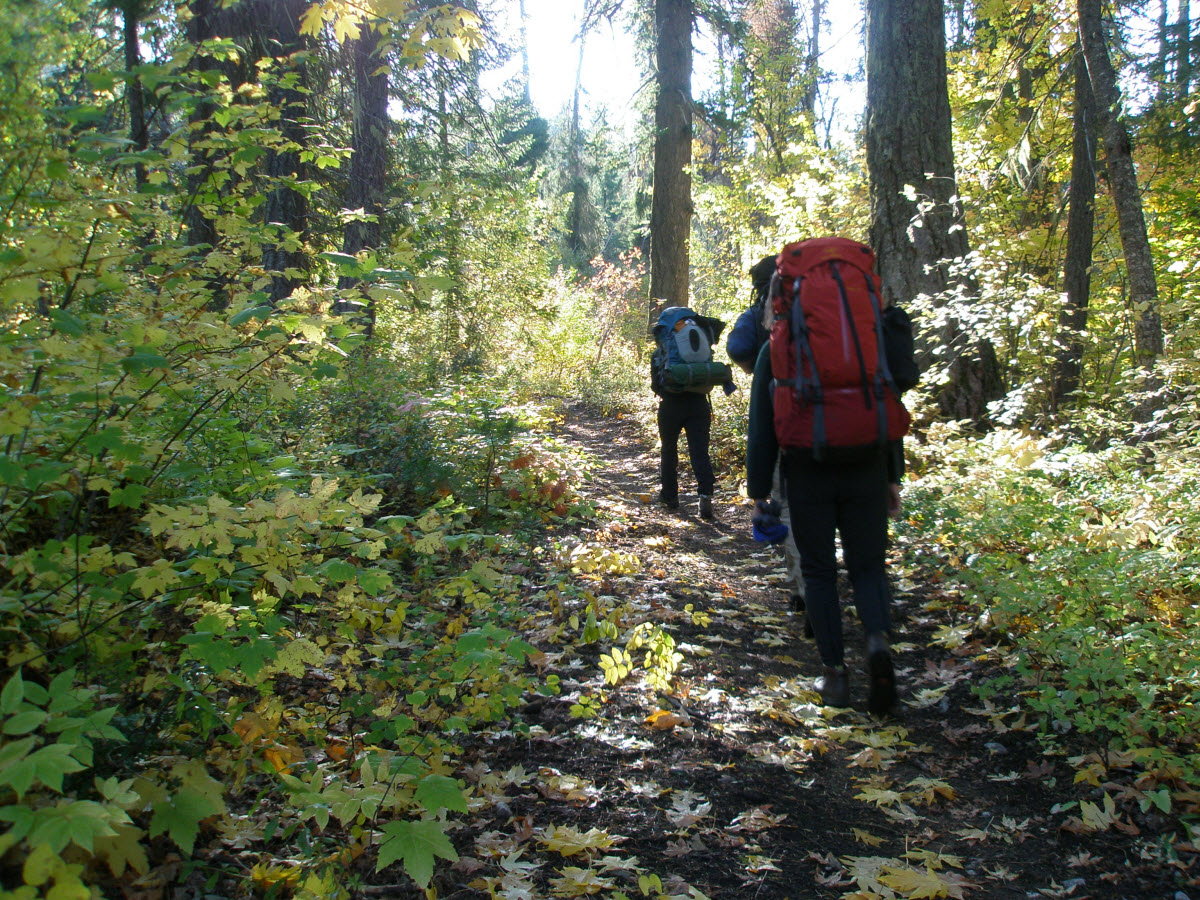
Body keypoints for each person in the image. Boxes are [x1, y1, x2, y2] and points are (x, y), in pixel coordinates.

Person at [745, 338, 904, 715]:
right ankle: (878, 645)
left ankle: (834, 675)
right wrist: (893, 474)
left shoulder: (778, 343)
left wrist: (758, 492)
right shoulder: (860, 330)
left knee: (818, 571)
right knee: (868, 567)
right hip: (866, 462)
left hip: (805, 467)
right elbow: (888, 395)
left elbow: (761, 422)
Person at [651, 350, 718, 520]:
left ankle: (670, 496)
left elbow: (655, 385)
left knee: (668, 449)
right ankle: (705, 495)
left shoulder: (661, 351)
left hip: (670, 406)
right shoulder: (700, 349)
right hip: (699, 405)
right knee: (700, 451)